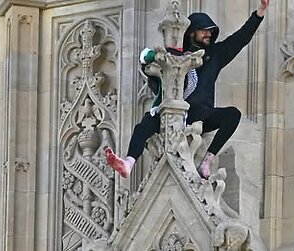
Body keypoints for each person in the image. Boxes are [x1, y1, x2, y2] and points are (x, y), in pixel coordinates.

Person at [105, 0, 270, 179]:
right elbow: (150, 68)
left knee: (232, 115)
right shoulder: (175, 55)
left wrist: (259, 12)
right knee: (142, 127)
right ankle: (128, 163)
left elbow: (240, 39)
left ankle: (207, 161)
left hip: (200, 115)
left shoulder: (214, 54)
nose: (209, 34)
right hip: (172, 112)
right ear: (192, 33)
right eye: (204, 30)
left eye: (211, 31)